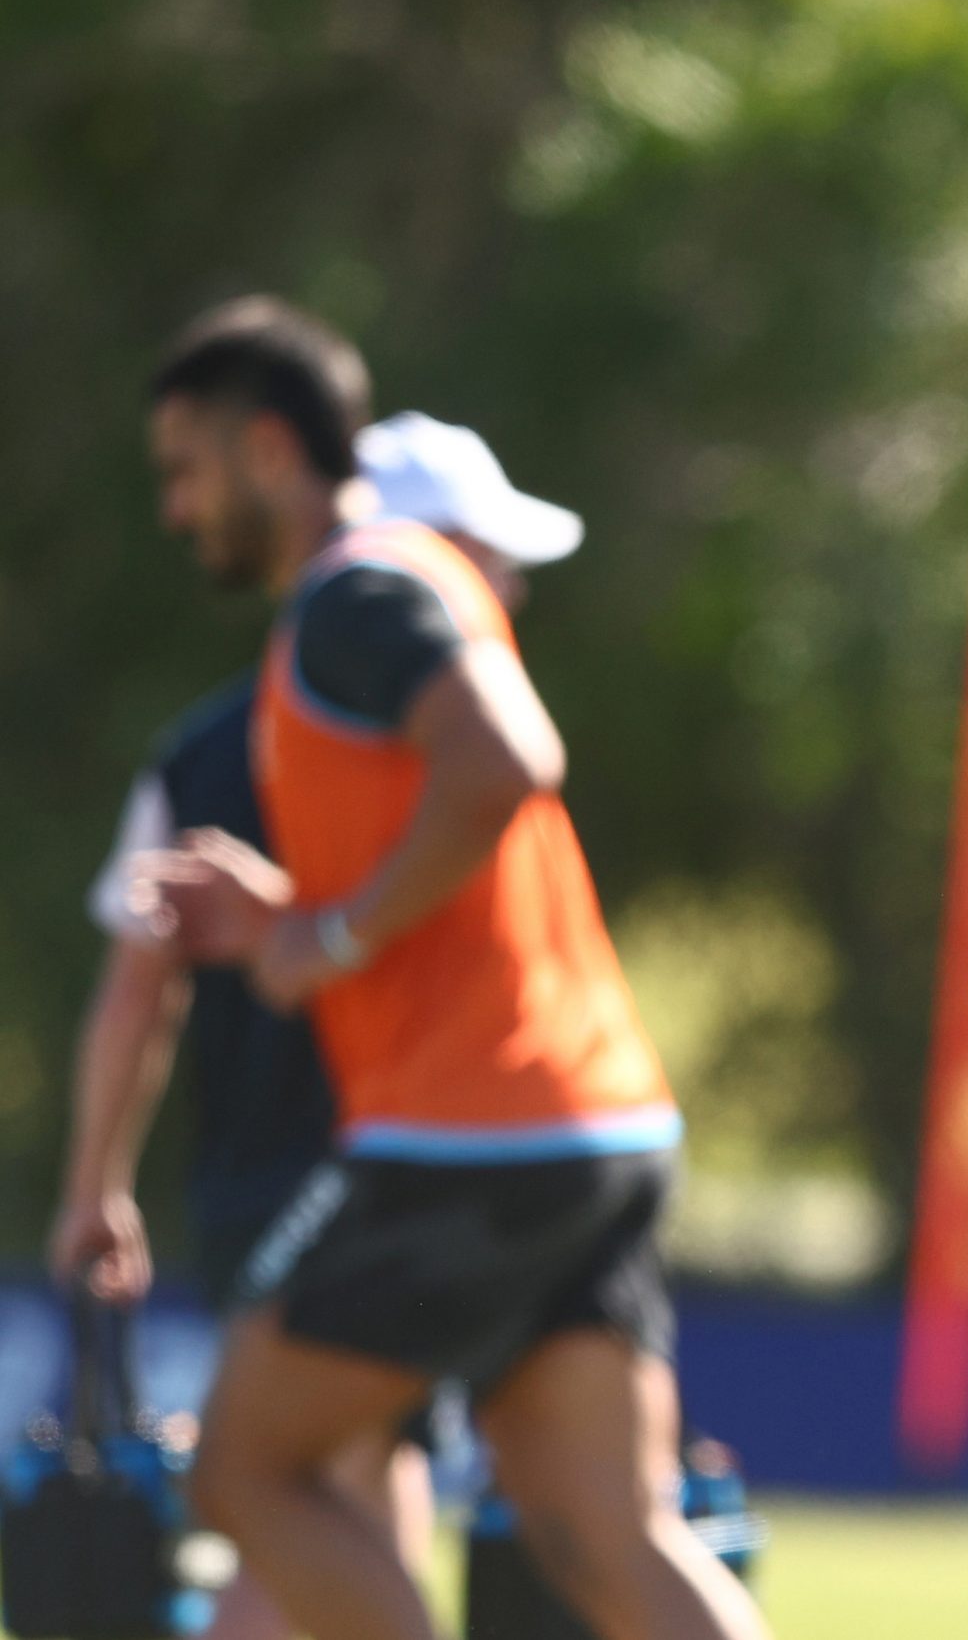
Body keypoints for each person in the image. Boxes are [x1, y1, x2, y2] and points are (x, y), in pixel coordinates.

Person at [131, 296, 768, 1640]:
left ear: (264, 448)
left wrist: (327, 935)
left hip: (469, 1135)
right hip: (599, 1118)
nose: (177, 510)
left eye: (185, 470)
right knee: (602, 1528)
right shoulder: (403, 580)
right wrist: (279, 925)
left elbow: (507, 759)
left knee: (242, 1468)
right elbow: (443, 846)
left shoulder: (354, 586)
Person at [51, 405, 592, 1639]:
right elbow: (148, 979)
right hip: (396, 1161)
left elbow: (137, 985)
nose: (500, 583)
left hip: (299, 1174)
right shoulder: (444, 739)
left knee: (326, 1484)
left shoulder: (197, 746)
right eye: (475, 551)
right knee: (317, 1486)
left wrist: (96, 1184)